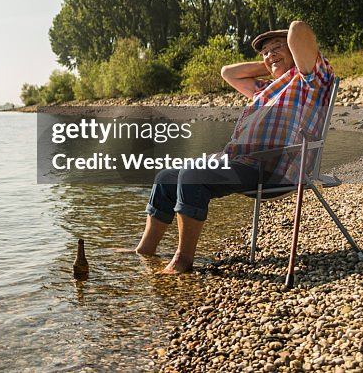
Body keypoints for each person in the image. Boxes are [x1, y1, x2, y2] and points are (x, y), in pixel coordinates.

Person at [134, 20, 335, 273]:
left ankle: (182, 261)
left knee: (192, 176)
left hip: (274, 168)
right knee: (165, 178)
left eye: (276, 48)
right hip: (243, 163)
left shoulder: (311, 79)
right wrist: (271, 65)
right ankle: (144, 251)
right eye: (264, 52)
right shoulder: (266, 89)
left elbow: (297, 29)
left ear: (295, 51)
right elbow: (227, 72)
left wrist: (286, 60)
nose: (269, 54)